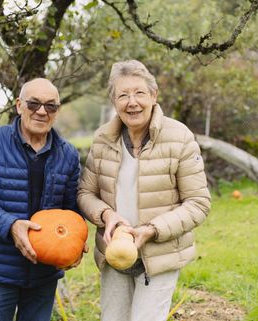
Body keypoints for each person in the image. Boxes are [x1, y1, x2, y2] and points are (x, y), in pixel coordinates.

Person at [77, 60, 211, 321]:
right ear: (114, 102)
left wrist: (152, 230)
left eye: (139, 93)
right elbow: (85, 193)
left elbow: (198, 202)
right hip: (114, 252)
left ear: (153, 95)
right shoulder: (103, 139)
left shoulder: (179, 137)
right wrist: (106, 216)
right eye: (123, 95)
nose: (132, 102)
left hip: (159, 256)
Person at [0, 78, 84, 321]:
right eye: (33, 103)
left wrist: (74, 245)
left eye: (50, 106)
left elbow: (70, 211)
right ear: (19, 105)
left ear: (57, 111)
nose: (41, 111)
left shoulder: (67, 154)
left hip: (44, 273)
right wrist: (11, 226)